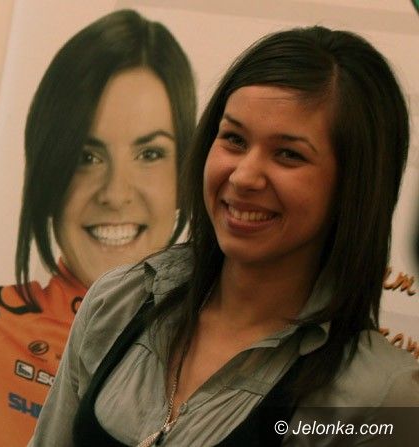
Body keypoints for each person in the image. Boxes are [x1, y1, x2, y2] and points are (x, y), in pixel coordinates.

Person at [29, 26, 419, 446]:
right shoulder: (119, 302)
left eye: (288, 154)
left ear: (355, 184)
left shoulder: (380, 399)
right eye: (234, 139)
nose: (244, 176)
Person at [0, 9, 196, 447]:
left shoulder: (224, 346)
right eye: (86, 157)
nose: (115, 193)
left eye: (149, 154)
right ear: (49, 174)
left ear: (185, 173)